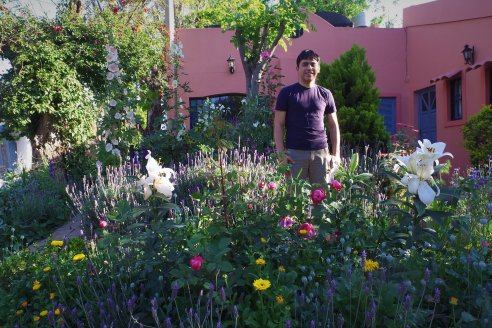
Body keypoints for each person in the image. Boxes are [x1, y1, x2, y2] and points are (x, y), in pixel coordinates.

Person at [274, 49, 340, 186]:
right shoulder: (286, 93)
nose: (309, 68)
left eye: (313, 64)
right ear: (297, 68)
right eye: (305, 64)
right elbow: (278, 124)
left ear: (318, 68)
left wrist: (336, 154)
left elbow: (333, 125)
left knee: (322, 200)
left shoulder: (326, 94)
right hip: (294, 156)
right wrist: (281, 154)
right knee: (293, 200)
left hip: (321, 154)